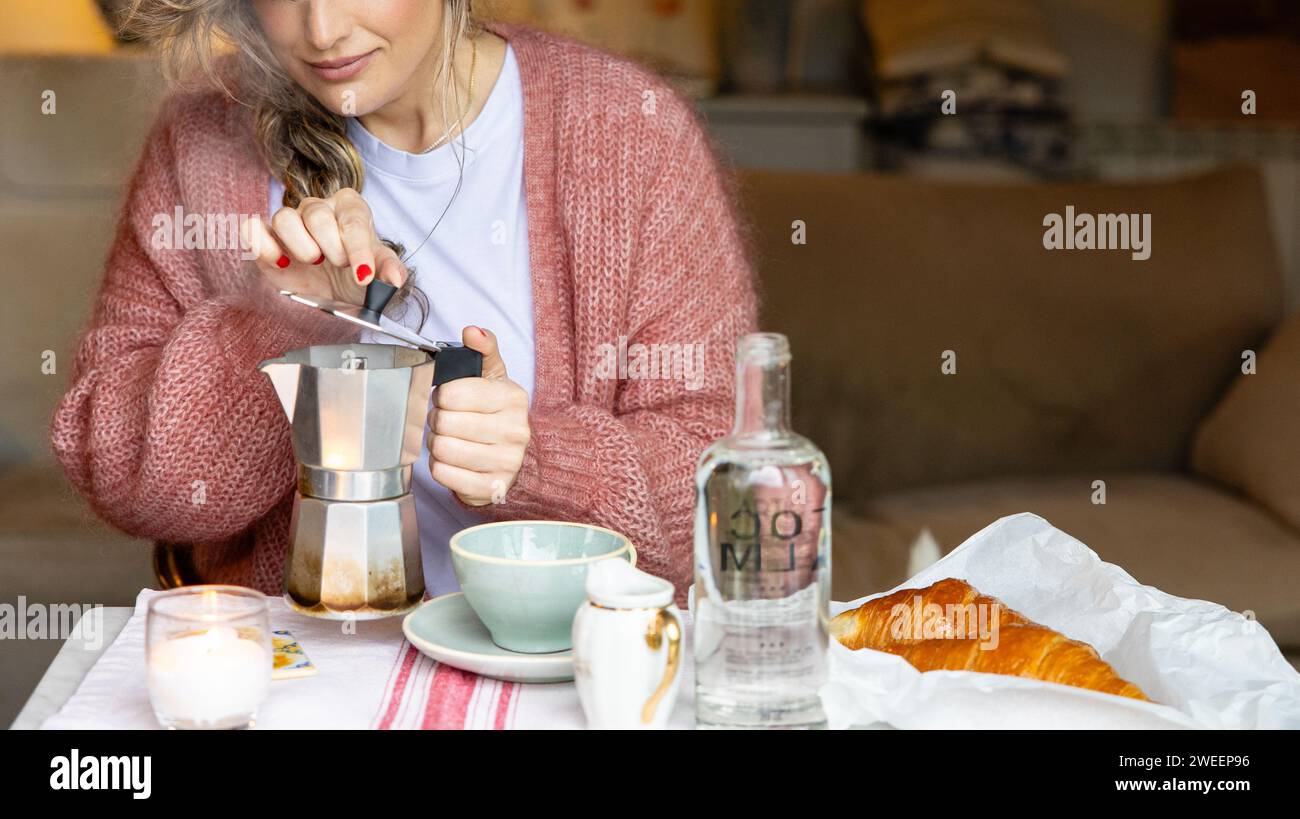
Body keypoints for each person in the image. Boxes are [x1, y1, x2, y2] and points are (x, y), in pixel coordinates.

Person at [50, 0, 756, 604]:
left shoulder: (631, 133)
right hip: (303, 683)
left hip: (567, 682)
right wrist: (280, 326)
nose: (322, 30)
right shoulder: (201, 143)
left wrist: (538, 461)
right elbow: (116, 470)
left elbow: (728, 501)